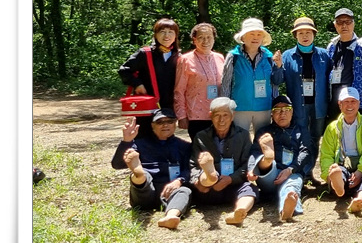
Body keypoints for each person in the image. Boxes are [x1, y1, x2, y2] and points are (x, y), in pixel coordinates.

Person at [111, 110, 192, 229]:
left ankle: (170, 217)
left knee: (185, 191)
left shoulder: (184, 146)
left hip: (170, 191)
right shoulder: (139, 144)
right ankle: (139, 175)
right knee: (145, 176)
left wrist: (179, 180)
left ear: (175, 124)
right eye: (160, 122)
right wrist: (127, 141)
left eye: (169, 121)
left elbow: (189, 169)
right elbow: (117, 164)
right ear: (152, 126)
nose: (165, 125)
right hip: (145, 192)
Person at [189, 97, 258, 226]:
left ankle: (239, 211)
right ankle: (210, 176)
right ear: (210, 115)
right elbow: (194, 164)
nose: (221, 120)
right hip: (209, 189)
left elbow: (247, 164)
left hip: (233, 185)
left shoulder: (243, 135)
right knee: (201, 180)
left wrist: (230, 179)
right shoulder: (201, 137)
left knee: (250, 189)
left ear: (232, 116)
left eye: (225, 115)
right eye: (217, 115)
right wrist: (197, 182)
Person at [281, 16, 331, 183]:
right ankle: (298, 172)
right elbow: (277, 80)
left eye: (308, 32)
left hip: (319, 106)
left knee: (315, 139)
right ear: (295, 35)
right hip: (298, 106)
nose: (305, 36)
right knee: (299, 139)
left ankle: (308, 172)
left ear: (314, 34)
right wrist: (277, 66)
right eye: (300, 33)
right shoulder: (287, 56)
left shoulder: (324, 55)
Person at [319, 87, 362, 213]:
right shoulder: (332, 127)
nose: (350, 105)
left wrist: (360, 172)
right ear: (340, 104)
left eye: (353, 101)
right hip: (342, 165)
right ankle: (339, 188)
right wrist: (328, 175)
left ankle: (360, 199)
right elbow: (326, 154)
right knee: (338, 171)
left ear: (359, 103)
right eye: (346, 102)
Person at [248, 95, 310, 222]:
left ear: (292, 112)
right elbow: (254, 152)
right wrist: (251, 168)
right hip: (270, 175)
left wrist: (291, 169)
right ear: (271, 114)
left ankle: (287, 208)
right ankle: (268, 159)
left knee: (292, 185)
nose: (282, 113)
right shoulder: (264, 132)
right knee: (268, 165)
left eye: (286, 109)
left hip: (291, 172)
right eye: (277, 110)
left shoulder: (301, 131)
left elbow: (306, 152)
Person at [220, 18, 284, 137]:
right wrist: (225, 107)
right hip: (239, 108)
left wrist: (279, 67)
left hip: (264, 107)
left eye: (259, 34)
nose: (255, 37)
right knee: (239, 140)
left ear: (263, 38)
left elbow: (276, 82)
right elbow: (225, 84)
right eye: (251, 34)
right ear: (243, 37)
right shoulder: (233, 56)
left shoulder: (269, 57)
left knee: (263, 141)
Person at [119, 18, 181, 133]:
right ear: (155, 35)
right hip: (147, 105)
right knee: (144, 136)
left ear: (176, 36)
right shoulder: (145, 53)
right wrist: (137, 84)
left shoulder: (179, 56)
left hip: (169, 106)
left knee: (165, 135)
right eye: (162, 32)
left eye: (170, 32)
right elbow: (124, 70)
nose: (166, 36)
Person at [174, 22, 225, 140]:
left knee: (219, 147)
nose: (205, 41)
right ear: (194, 40)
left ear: (214, 39)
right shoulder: (185, 60)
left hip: (218, 113)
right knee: (201, 149)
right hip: (196, 115)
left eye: (209, 37)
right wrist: (181, 116)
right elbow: (179, 90)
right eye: (201, 37)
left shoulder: (220, 57)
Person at [327, 8, 362, 123]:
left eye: (348, 22)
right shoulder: (332, 46)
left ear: (353, 24)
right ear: (335, 25)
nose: (344, 25)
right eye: (340, 22)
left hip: (356, 99)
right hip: (335, 99)